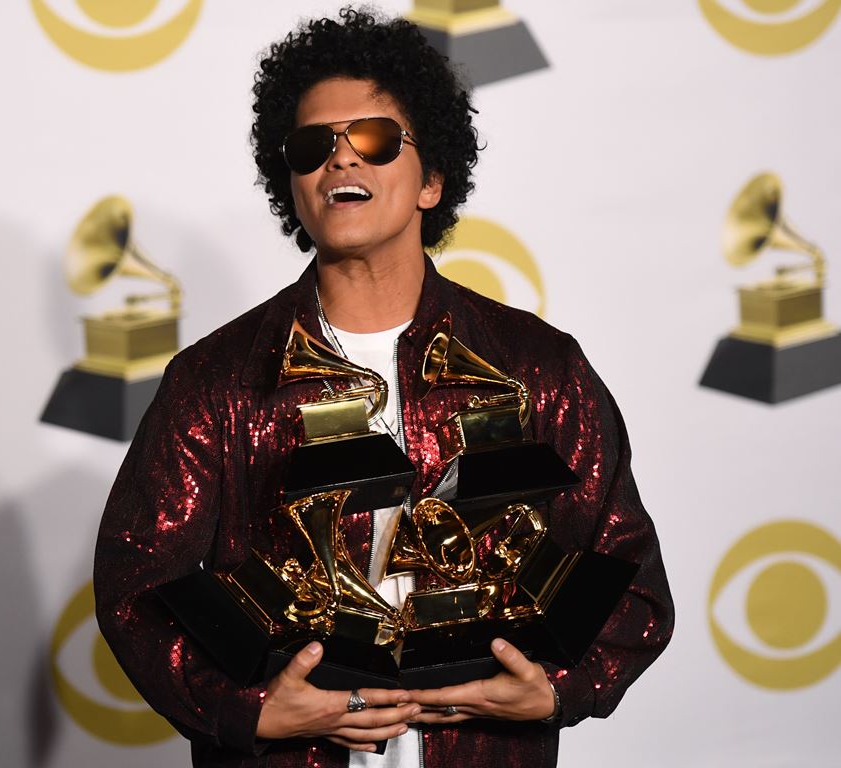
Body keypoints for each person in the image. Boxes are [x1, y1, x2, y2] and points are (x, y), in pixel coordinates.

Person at [94, 8, 673, 768]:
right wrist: (252, 711)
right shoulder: (218, 382)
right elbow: (136, 583)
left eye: (371, 139)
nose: (340, 161)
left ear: (431, 178)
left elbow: (628, 575)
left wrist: (561, 687)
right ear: (291, 185)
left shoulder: (537, 367)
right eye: (313, 146)